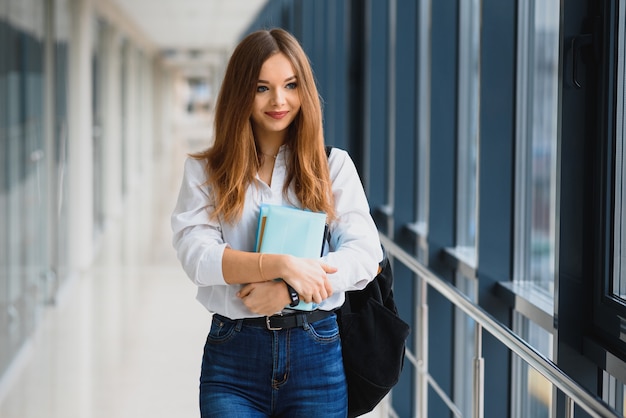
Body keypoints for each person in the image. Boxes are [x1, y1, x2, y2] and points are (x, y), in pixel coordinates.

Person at [171, 28, 383, 418]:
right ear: (241, 93)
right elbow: (196, 257)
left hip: (315, 354)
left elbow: (365, 255)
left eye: (290, 85)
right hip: (233, 357)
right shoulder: (204, 171)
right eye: (262, 88)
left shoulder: (333, 166)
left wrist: (291, 292)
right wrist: (279, 265)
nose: (279, 100)